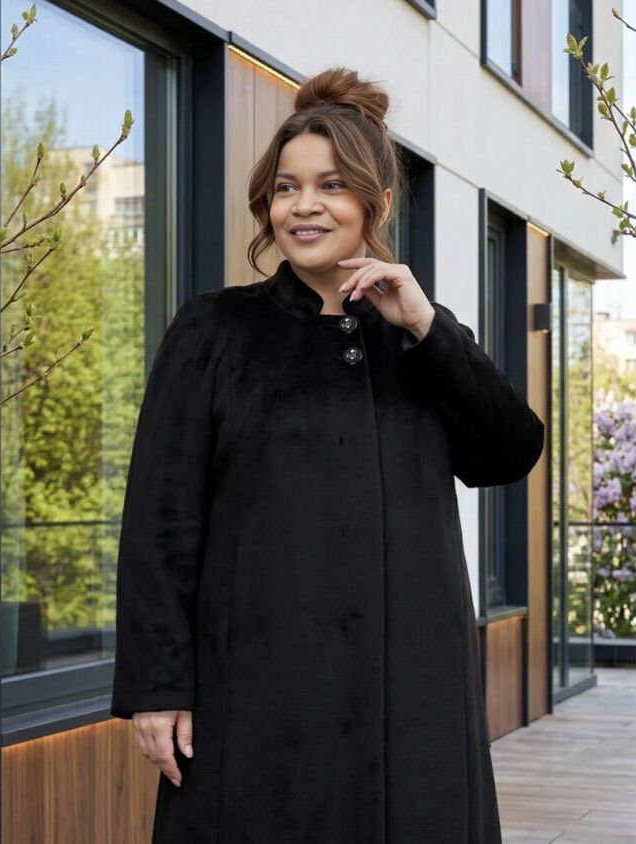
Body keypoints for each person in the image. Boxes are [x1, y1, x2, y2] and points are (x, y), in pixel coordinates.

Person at [110, 65, 545, 843]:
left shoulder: (421, 336)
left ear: (377, 203)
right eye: (287, 188)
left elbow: (508, 451)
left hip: (414, 703)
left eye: (332, 185)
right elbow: (160, 521)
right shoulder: (214, 331)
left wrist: (427, 329)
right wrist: (158, 686)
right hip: (257, 701)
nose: (304, 205)